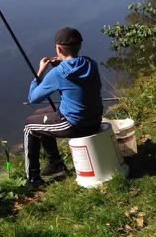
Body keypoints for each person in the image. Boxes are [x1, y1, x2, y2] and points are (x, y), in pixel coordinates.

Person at [24, 27, 103, 187]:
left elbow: (33, 98)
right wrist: (64, 62)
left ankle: (33, 179)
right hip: (95, 120)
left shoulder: (57, 73)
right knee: (41, 114)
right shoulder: (91, 64)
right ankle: (55, 164)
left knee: (29, 126)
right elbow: (74, 71)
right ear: (80, 45)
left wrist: (40, 72)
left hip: (75, 124)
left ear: (58, 48)